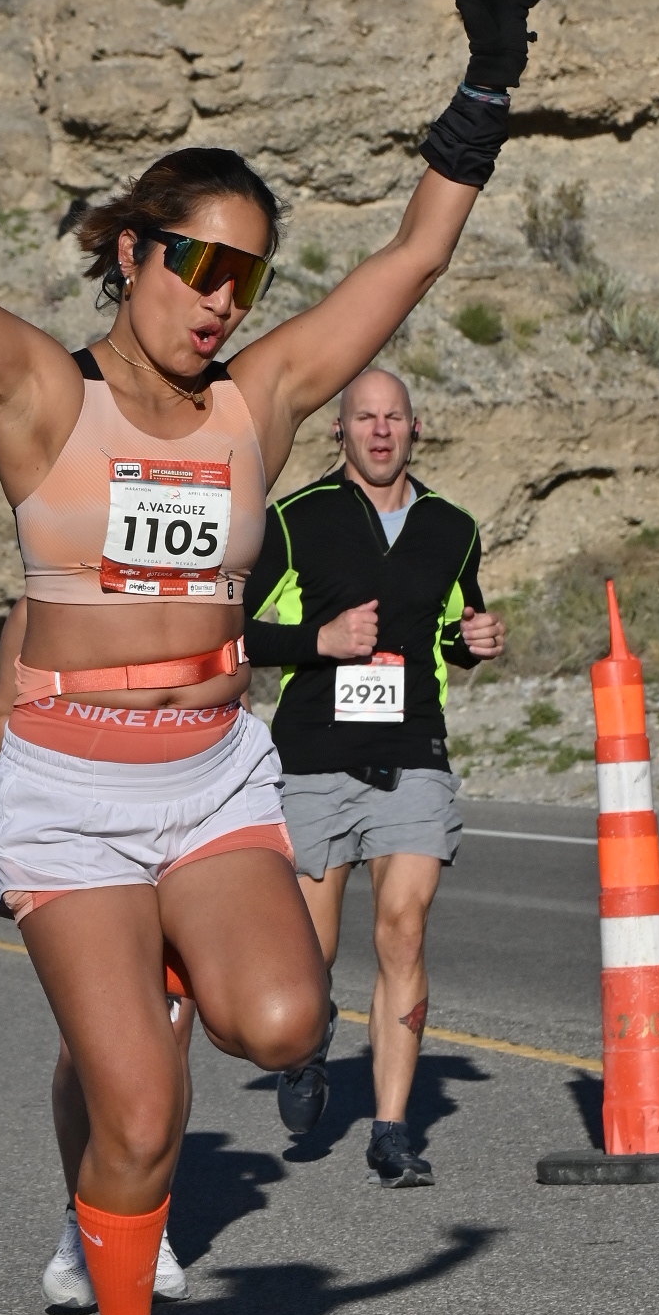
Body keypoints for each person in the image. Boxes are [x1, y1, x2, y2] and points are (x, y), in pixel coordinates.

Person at [0, 0, 559, 1315]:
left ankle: (161, 971)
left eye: (249, 274)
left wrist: (484, 91)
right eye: (198, 263)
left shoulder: (263, 402)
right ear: (133, 253)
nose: (222, 299)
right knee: (143, 1116)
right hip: (74, 791)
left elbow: (412, 261)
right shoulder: (44, 394)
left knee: (287, 1027)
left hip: (215, 772)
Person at [245, 366, 504, 1187]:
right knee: (309, 955)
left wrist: (475, 641)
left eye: (394, 418)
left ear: (415, 428)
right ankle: (306, 1046)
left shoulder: (452, 527)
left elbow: (453, 627)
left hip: (413, 752)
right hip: (314, 757)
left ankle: (392, 1131)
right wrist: (319, 640)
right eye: (365, 418)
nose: (381, 431)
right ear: (340, 431)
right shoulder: (295, 519)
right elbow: (233, 629)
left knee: (403, 929)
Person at [0, 598, 192, 1313]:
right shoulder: (44, 604)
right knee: (88, 1050)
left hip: (182, 842)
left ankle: (150, 1224)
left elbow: (226, 711)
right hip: (85, 847)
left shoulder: (193, 601)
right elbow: (5, 715)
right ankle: (82, 1219)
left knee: (170, 1036)